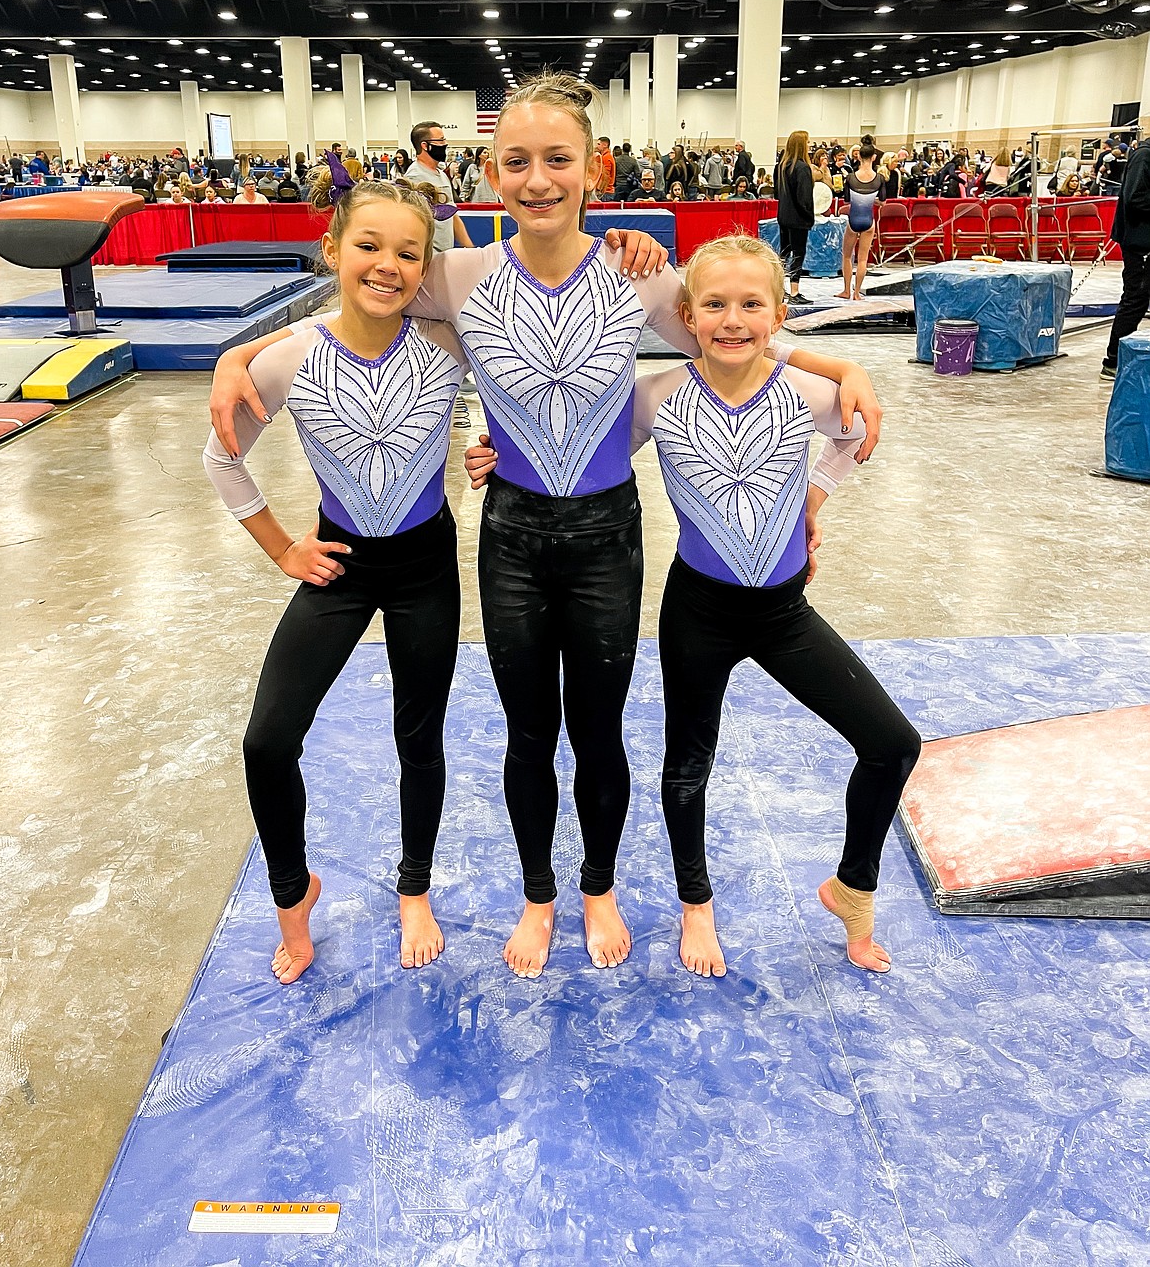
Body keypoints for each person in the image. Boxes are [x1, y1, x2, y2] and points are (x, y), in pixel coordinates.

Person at [213, 73, 884, 983]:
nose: (538, 179)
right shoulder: (455, 275)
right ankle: (540, 895)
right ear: (490, 172)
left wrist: (837, 364)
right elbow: (355, 305)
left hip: (607, 536)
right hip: (514, 540)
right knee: (529, 736)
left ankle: (597, 887)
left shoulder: (638, 277)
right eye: (518, 162)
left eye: (558, 159)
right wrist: (240, 352)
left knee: (598, 733)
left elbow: (732, 325)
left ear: (592, 167)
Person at [631, 236, 920, 976]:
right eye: (716, 305)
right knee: (688, 765)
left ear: (779, 314)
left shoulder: (808, 394)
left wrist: (813, 496)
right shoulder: (656, 398)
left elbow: (854, 435)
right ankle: (697, 907)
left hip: (783, 613)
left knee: (892, 744)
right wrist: (498, 454)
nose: (734, 320)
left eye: (751, 304)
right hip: (698, 609)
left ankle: (852, 891)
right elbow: (582, 454)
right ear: (688, 315)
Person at [203, 176, 467, 981]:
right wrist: (284, 549)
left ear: (426, 268)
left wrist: (492, 446)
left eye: (407, 253)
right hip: (342, 564)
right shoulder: (291, 359)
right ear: (332, 249)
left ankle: (412, 888)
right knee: (268, 740)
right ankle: (294, 897)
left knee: (417, 739)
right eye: (369, 246)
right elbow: (223, 458)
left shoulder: (448, 347)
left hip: (425, 564)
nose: (387, 265)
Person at [1101, 135, 1150, 380]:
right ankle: (1113, 360)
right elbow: (1134, 198)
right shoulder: (1144, 155)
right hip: (1140, 243)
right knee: (1136, 299)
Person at [405, 123, 473, 250]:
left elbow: (452, 215)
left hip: (445, 252)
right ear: (425, 146)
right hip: (429, 256)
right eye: (441, 140)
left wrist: (470, 248)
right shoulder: (415, 177)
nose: (445, 144)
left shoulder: (441, 175)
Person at [775, 129, 814, 305]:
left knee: (784, 253)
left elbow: (777, 194)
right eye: (808, 142)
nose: (810, 145)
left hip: (783, 216)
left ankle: (778, 288)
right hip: (798, 219)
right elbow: (804, 198)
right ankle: (795, 291)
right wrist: (809, 216)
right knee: (799, 253)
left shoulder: (781, 167)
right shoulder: (802, 168)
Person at [840, 145, 882, 300]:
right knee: (863, 259)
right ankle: (857, 293)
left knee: (846, 256)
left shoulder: (850, 178)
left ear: (858, 157)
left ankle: (846, 291)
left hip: (853, 219)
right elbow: (883, 202)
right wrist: (872, 199)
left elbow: (846, 200)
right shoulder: (879, 178)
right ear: (874, 157)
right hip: (868, 220)